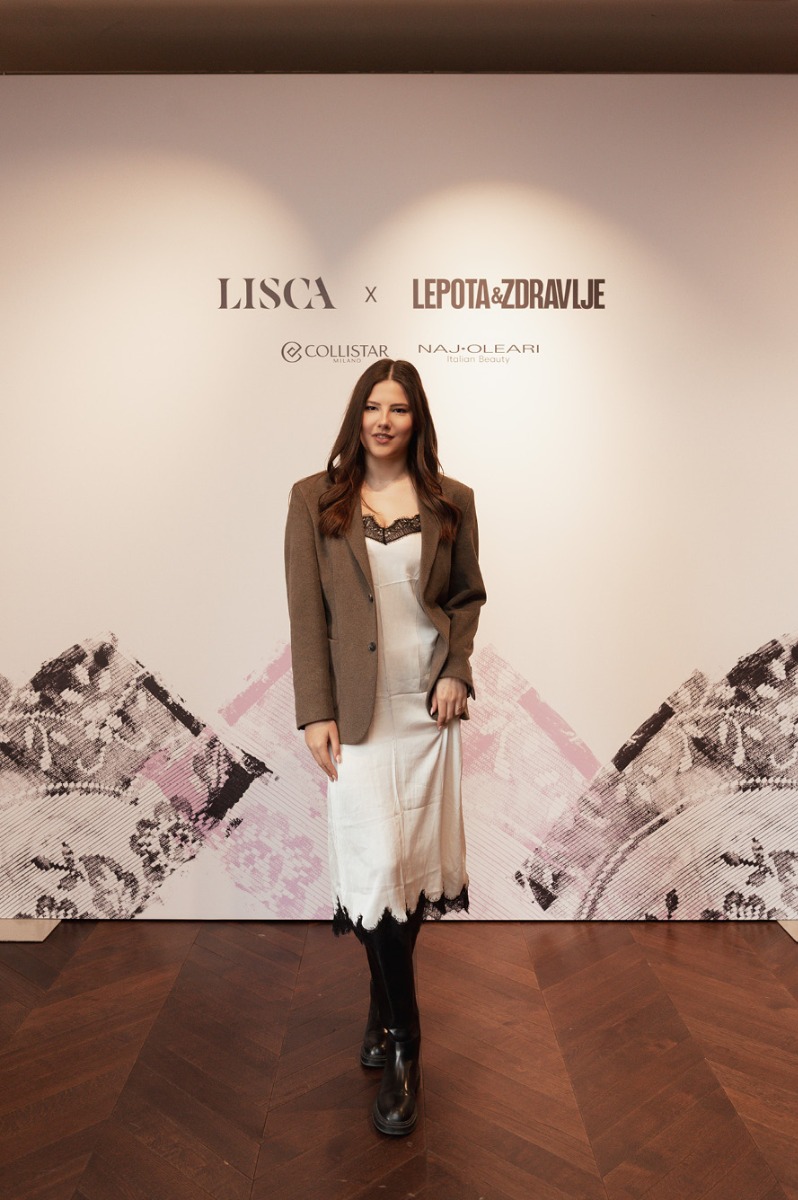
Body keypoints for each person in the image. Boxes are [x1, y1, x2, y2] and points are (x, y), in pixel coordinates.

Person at [284, 358, 486, 1136]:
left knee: (411, 870)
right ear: (357, 414)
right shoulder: (315, 499)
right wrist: (315, 711)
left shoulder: (451, 500)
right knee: (375, 870)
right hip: (358, 715)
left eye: (398, 408)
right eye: (373, 405)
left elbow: (465, 597)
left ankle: (382, 1007)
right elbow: (307, 614)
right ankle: (406, 1043)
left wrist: (457, 670)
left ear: (416, 419)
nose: (384, 420)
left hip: (427, 710)